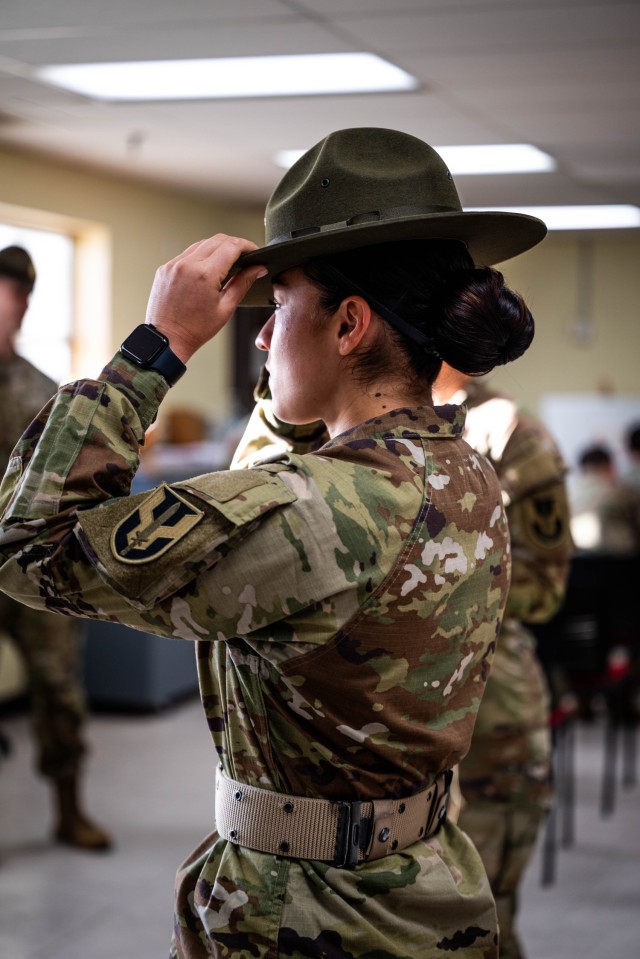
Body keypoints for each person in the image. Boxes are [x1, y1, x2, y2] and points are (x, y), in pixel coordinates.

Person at [0, 128, 547, 958]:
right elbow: (279, 472)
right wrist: (299, 374)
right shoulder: (462, 469)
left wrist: (157, 348)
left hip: (306, 920)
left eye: (278, 307)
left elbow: (26, 544)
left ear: (350, 323)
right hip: (428, 891)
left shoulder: (315, 508)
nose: (257, 336)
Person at [431, 368, 573, 959]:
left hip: (491, 711)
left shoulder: (510, 434)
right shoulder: (369, 424)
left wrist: (424, 598)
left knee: (476, 925)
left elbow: (544, 589)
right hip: (402, 712)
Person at [0, 245, 111, 850]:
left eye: (13, 297)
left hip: (31, 569)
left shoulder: (46, 396)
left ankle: (69, 810)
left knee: (59, 688)